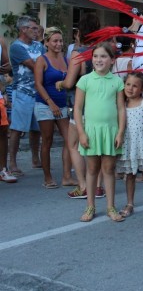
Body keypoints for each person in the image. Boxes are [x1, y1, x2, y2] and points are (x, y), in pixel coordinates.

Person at [74, 43, 126, 222]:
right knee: (92, 169)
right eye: (95, 56)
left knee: (109, 169)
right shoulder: (85, 80)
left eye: (103, 56)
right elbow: (78, 108)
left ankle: (111, 207)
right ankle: (90, 207)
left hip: (110, 131)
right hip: (91, 131)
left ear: (112, 60)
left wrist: (120, 132)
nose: (98, 60)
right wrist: (81, 132)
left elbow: (121, 109)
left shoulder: (117, 81)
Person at [56, 13, 102, 199]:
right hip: (102, 104)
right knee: (97, 146)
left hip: (81, 105)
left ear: (81, 30)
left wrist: (59, 84)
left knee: (74, 145)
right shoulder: (104, 50)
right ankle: (98, 187)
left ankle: (83, 186)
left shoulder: (79, 52)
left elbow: (69, 82)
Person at [33, 27, 75, 188]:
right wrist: (50, 103)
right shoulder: (42, 60)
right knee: (47, 140)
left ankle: (67, 176)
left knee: (70, 139)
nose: (58, 44)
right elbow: (38, 84)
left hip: (63, 105)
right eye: (55, 41)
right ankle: (48, 177)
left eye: (60, 40)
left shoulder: (66, 59)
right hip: (45, 104)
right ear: (47, 43)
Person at [116, 72, 143, 223]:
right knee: (130, 176)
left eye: (135, 86)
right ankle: (129, 204)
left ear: (142, 89)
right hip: (130, 145)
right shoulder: (122, 105)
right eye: (128, 84)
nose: (130, 88)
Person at [8, 16, 44, 176]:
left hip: (38, 92)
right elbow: (37, 66)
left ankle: (35, 159)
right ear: (23, 29)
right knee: (17, 129)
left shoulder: (38, 45)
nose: (37, 31)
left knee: (36, 129)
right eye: (34, 28)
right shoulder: (16, 47)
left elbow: (46, 63)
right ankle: (12, 162)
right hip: (22, 92)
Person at [0, 36, 16, 183]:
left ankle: (2, 169)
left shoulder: (1, 40)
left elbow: (7, 66)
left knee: (3, 131)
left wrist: (4, 91)